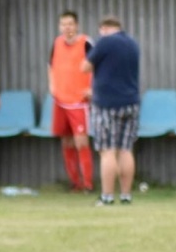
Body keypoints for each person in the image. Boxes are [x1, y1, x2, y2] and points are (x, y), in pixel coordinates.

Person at [83, 17, 141, 207]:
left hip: (107, 105)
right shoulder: (133, 44)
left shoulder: (105, 42)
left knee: (107, 151)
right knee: (125, 149)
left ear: (104, 28)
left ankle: (107, 196)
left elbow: (84, 67)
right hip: (131, 103)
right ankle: (126, 196)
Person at [49, 11, 95, 192]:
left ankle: (88, 184)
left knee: (81, 142)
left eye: (70, 24)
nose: (67, 28)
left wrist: (93, 88)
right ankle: (74, 183)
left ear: (76, 26)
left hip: (79, 101)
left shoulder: (86, 43)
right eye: (63, 24)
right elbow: (50, 66)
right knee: (66, 142)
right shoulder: (56, 43)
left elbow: (98, 64)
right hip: (60, 100)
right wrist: (52, 86)